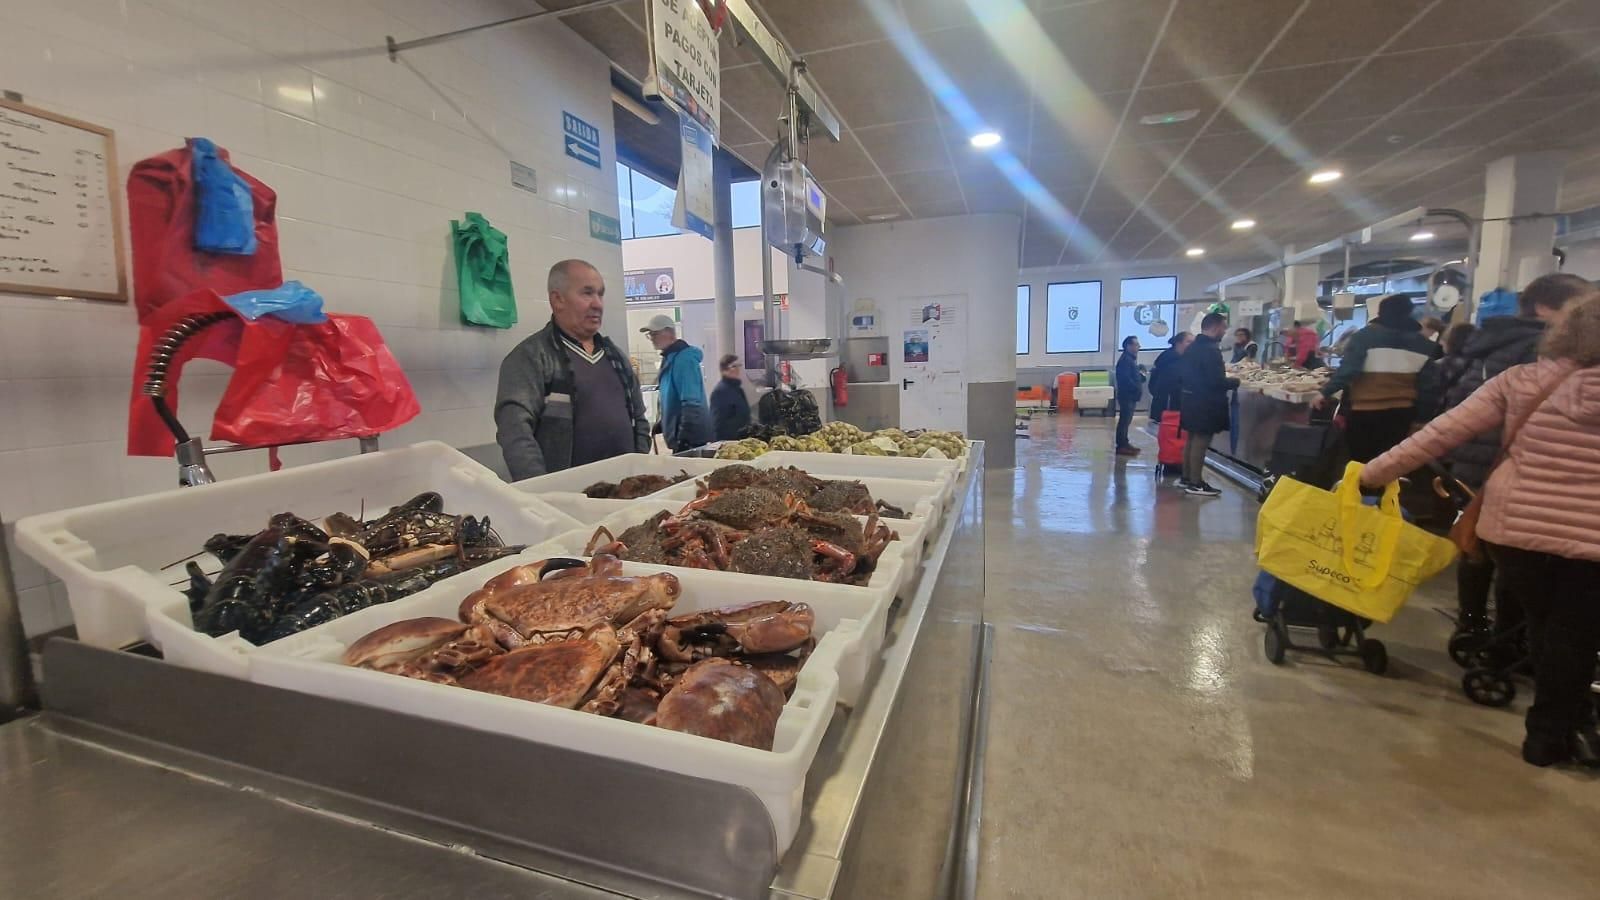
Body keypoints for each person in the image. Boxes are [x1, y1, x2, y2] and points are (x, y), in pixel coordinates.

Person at [1359, 291, 1600, 768]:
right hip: (1591, 539)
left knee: (1543, 621)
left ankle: (1550, 722)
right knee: (1575, 635)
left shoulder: (1522, 381)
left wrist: (1370, 474)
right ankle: (1554, 732)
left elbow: (1439, 434)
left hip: (1514, 530)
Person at [1437, 272, 1591, 642]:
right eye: (1577, 307)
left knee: (1476, 548)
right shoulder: (1544, 350)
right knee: (1518, 556)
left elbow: (1452, 399)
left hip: (1475, 461)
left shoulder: (1485, 342)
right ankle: (1511, 636)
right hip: (1518, 467)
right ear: (1544, 307)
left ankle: (1472, 624)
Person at [495, 259, 649, 480]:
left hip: (627, 492)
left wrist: (642, 470)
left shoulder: (616, 358)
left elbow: (639, 418)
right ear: (558, 300)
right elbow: (515, 432)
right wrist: (543, 493)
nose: (598, 304)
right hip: (570, 500)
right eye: (587, 293)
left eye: (600, 294)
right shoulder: (530, 358)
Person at [1311, 294, 1438, 462]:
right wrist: (1422, 419)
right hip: (1402, 415)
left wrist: (1324, 392)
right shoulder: (1425, 346)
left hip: (1366, 413)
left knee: (1361, 464)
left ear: (1381, 313)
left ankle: (1362, 488)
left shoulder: (1364, 338)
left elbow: (1349, 370)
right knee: (1390, 465)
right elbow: (1428, 388)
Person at [1176, 314, 1238, 496]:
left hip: (1190, 399)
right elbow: (1215, 380)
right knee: (1201, 441)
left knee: (1192, 439)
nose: (1225, 332)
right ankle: (1196, 482)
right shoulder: (1210, 350)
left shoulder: (1192, 347)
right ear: (1216, 327)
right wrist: (1234, 382)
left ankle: (1186, 478)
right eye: (1223, 328)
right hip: (1205, 403)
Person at [641, 314, 712, 452]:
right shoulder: (670, 359)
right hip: (682, 436)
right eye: (650, 335)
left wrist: (685, 438)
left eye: (654, 334)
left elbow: (691, 402)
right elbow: (673, 397)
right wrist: (666, 422)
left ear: (669, 332)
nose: (652, 338)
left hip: (692, 440)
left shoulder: (684, 359)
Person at [1427, 322, 1477, 419]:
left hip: (1445, 414)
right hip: (1470, 414)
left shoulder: (1440, 365)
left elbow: (1431, 393)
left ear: (1452, 341)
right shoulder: (1480, 364)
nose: (1441, 342)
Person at [1147, 331, 1191, 423]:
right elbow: (1167, 384)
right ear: (1179, 343)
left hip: (1173, 405)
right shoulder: (1169, 359)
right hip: (1168, 406)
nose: (1192, 345)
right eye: (1189, 342)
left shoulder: (1182, 358)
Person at [1114, 336, 1144, 457]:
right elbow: (1125, 379)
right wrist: (1135, 388)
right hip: (1127, 396)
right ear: (1128, 346)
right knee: (1124, 421)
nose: (1138, 347)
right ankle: (1121, 446)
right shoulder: (1125, 360)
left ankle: (1125, 443)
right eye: (1136, 344)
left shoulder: (1130, 360)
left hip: (1130, 396)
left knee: (1126, 421)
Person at [710, 353, 752, 440]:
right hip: (729, 441)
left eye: (738, 366)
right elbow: (718, 422)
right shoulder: (720, 392)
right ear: (724, 370)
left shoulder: (738, 390)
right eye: (733, 366)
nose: (737, 369)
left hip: (742, 439)